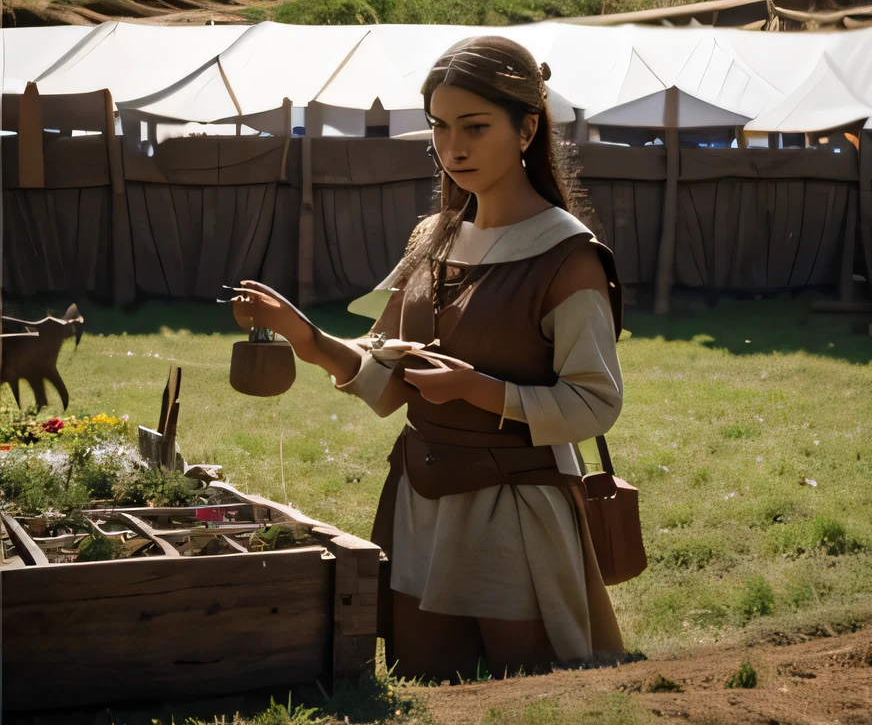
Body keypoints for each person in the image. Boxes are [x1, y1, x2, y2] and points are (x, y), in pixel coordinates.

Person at [231, 36, 626, 683]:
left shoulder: (568, 257)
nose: (454, 147)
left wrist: (478, 390)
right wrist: (304, 338)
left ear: (527, 127)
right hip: (422, 507)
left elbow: (596, 403)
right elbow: (385, 372)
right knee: (429, 691)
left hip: (517, 513)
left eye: (475, 127)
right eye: (440, 127)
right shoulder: (431, 240)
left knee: (527, 702)